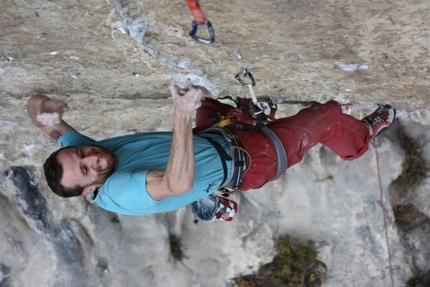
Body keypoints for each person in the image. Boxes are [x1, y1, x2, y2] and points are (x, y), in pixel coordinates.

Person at [27, 81, 396, 221]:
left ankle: (209, 198)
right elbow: (177, 180)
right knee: (325, 116)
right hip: (251, 161)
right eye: (87, 170)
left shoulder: (84, 159)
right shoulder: (119, 189)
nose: (91, 158)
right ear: (91, 190)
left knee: (218, 99)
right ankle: (361, 136)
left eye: (80, 155)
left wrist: (40, 105)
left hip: (209, 137)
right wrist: (179, 114)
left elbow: (41, 119)